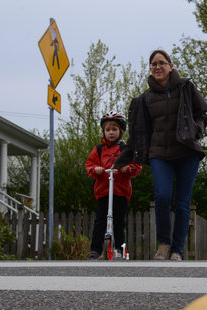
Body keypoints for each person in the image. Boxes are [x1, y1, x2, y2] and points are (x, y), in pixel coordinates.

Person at [114, 50, 207, 261]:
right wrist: (123, 159)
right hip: (159, 154)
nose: (157, 67)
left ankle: (177, 250)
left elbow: (202, 114)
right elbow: (138, 133)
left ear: (171, 66)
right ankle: (164, 244)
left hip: (187, 153)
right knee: (162, 196)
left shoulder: (186, 88)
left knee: (182, 203)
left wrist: (197, 131)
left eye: (162, 63)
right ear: (150, 68)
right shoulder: (145, 99)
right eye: (153, 64)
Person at [86, 112, 142, 260]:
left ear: (121, 132)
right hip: (103, 191)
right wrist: (95, 169)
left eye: (114, 129)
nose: (111, 132)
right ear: (104, 132)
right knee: (100, 221)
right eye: (108, 130)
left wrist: (127, 168)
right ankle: (96, 250)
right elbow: (89, 164)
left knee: (118, 221)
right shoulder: (98, 149)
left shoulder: (126, 149)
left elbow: (137, 164)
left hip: (120, 191)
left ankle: (119, 248)